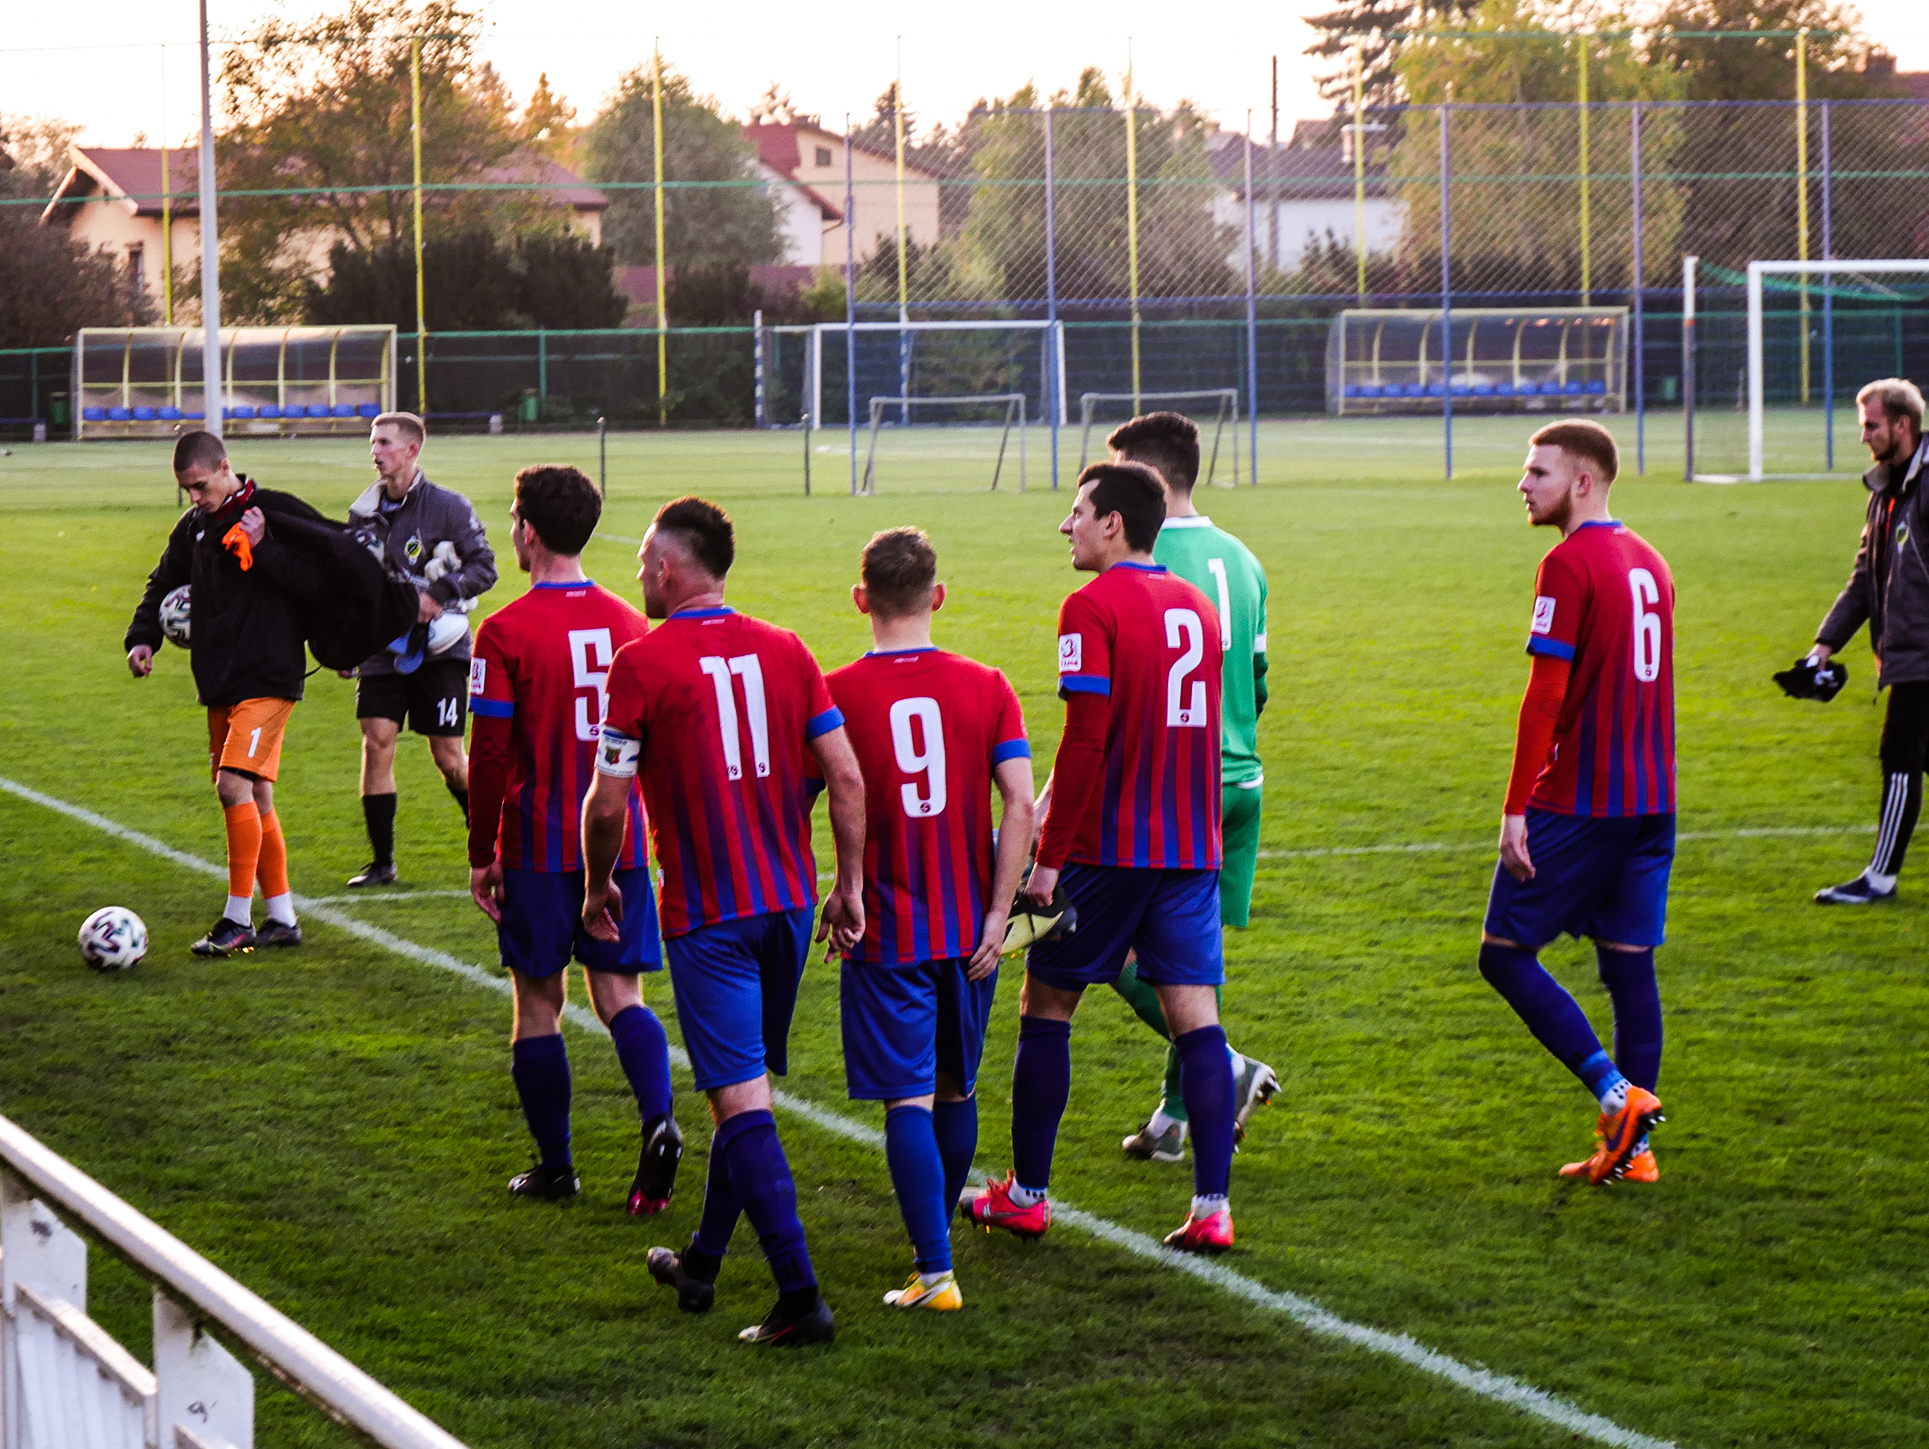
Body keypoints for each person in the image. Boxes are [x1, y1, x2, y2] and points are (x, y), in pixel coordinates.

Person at [581, 496, 866, 1348]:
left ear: (669, 569)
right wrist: (848, 886)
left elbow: (607, 801)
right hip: (787, 904)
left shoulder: (640, 662)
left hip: (709, 916)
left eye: (643, 561)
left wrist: (596, 885)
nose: (639, 573)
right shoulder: (787, 648)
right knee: (742, 1090)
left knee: (740, 1101)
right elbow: (846, 777)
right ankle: (702, 1261)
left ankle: (799, 1295)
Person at [968, 462, 1241, 1256]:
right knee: (1197, 1023)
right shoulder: (1195, 606)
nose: (1068, 525)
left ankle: (1026, 1196)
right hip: (1189, 848)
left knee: (1045, 1008)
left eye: (1078, 512)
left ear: (1113, 523)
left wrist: (1047, 861)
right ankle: (1212, 1206)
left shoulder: (1089, 606)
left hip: (1108, 848)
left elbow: (1087, 739)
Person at [825, 527, 1034, 1312]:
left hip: (886, 930)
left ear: (860, 600)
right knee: (954, 1087)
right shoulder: (988, 684)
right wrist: (998, 913)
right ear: (937, 596)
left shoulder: (835, 692)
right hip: (969, 932)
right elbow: (1021, 803)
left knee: (905, 1100)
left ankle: (934, 1271)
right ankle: (932, 1241)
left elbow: (804, 799)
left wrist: (840, 887)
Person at [465, 464, 678, 1213]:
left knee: (538, 1001)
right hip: (621, 843)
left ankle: (557, 1168)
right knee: (620, 993)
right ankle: (659, 1120)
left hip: (538, 847)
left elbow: (489, 756)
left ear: (528, 531)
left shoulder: (503, 631)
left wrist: (482, 853)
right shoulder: (631, 623)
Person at [1479, 419, 1672, 1186]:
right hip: (1651, 797)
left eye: (1538, 472)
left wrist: (1515, 807)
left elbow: (1544, 695)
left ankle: (1618, 1098)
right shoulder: (1650, 560)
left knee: (1502, 953)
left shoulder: (1566, 563)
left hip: (1584, 797)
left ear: (1582, 481)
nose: (1522, 484)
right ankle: (1634, 1152)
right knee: (1628, 968)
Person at [1103, 411, 1280, 1164]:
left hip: (1171, 790)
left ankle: (1227, 1064)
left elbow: (1118, 697)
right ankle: (1175, 1118)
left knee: (1094, 939)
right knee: (1192, 958)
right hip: (1241, 780)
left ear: (1144, 479)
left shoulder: (1138, 562)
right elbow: (1259, 681)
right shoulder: (1242, 558)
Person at [125, 431, 327, 957]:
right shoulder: (194, 528)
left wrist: (265, 549)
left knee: (231, 785)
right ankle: (282, 918)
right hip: (220, 681)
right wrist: (143, 637)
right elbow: (162, 582)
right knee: (255, 795)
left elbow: (319, 580)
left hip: (270, 677)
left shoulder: (272, 514)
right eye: (186, 490)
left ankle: (237, 919)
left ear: (223, 467)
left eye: (200, 485)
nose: (195, 497)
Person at [345, 412, 496, 888]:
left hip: (441, 649)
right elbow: (354, 586)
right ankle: (382, 863)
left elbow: (485, 567)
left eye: (385, 443)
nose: (375, 451)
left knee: (449, 757)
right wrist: (347, 642)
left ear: (412, 450)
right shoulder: (362, 513)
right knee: (377, 740)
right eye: (373, 443)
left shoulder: (448, 507)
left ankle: (491, 846)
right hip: (381, 647)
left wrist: (439, 594)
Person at [1807, 378, 1929, 904]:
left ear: (1902, 425)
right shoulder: (1884, 491)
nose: (1864, 437)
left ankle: (1880, 878)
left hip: (1923, 655)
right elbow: (1865, 578)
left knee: (1899, 754)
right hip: (1906, 652)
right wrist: (1824, 645)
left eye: (1871, 426)